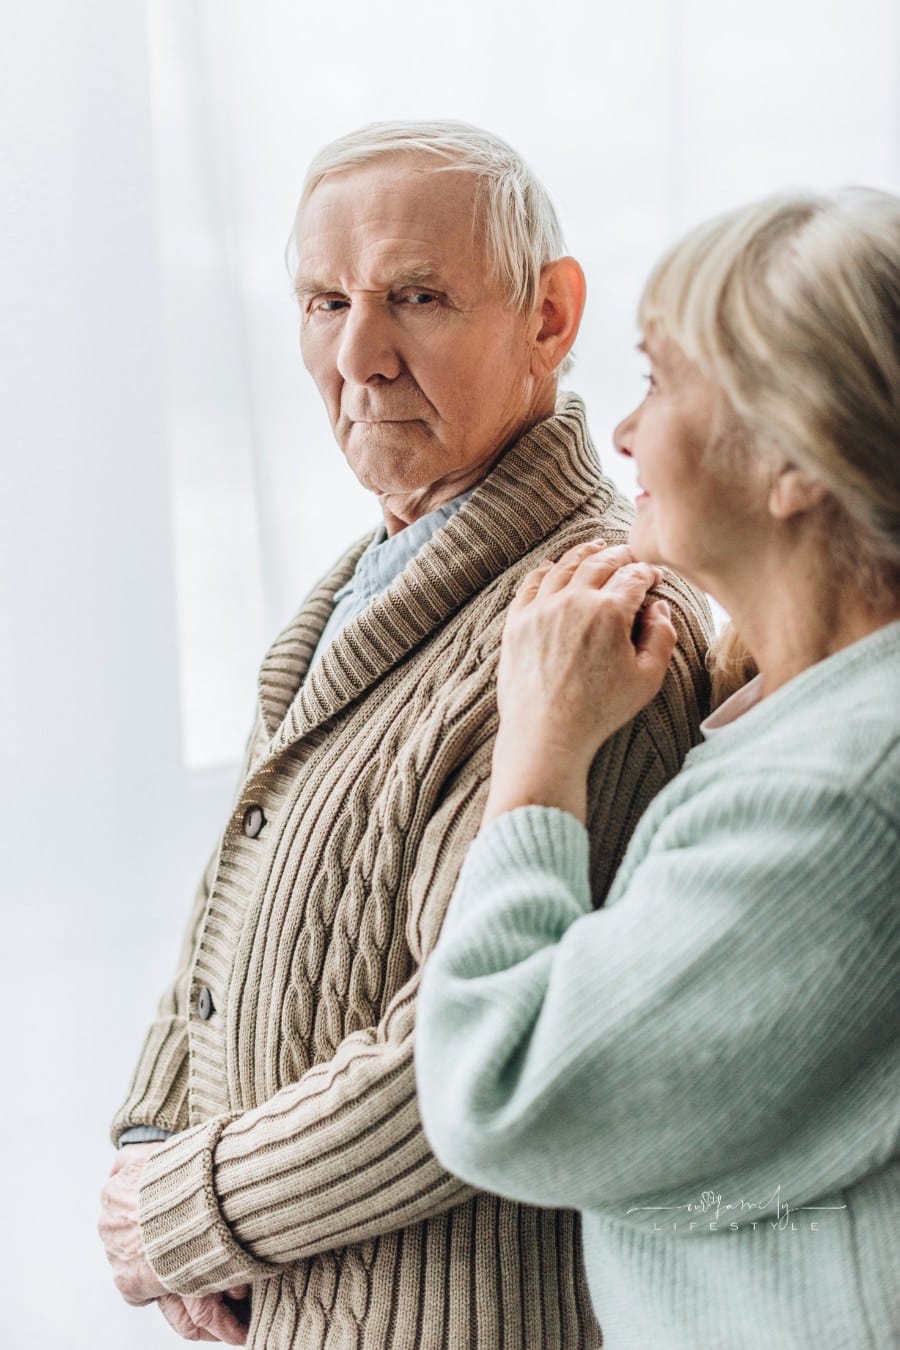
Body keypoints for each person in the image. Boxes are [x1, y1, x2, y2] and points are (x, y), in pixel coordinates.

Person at [97, 121, 712, 1348]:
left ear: (549, 316)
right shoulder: (366, 576)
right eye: (324, 302)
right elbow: (237, 894)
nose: (360, 356)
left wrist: (183, 1209)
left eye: (417, 297)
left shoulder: (599, 625)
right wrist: (150, 1137)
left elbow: (479, 1045)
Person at [415, 187, 900, 1350]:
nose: (622, 433)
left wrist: (539, 751)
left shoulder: (839, 796)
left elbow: (502, 1091)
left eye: (658, 381)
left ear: (792, 460)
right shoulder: (783, 716)